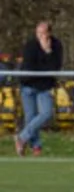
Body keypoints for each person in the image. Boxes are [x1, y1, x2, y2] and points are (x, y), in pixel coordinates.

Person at [15, 20, 62, 156]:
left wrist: (47, 52)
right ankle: (36, 146)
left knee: (46, 113)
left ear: (49, 33)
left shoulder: (56, 46)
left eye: (43, 33)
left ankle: (22, 137)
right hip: (28, 86)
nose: (40, 36)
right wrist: (44, 63)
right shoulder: (30, 46)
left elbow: (55, 67)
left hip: (44, 87)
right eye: (38, 33)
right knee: (30, 118)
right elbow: (30, 67)